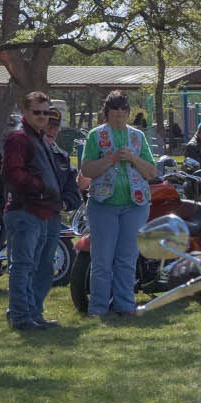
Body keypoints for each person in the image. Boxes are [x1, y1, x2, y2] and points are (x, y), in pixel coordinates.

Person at [77, 90, 158, 320]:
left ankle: (125, 305)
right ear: (107, 112)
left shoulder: (137, 137)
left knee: (127, 257)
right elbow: (86, 170)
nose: (119, 113)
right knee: (102, 258)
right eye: (115, 109)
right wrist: (111, 158)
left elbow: (151, 172)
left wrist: (133, 158)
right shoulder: (96, 135)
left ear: (129, 112)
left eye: (123, 109)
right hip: (103, 205)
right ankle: (98, 308)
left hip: (135, 205)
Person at [3, 90, 65, 330]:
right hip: (26, 210)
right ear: (25, 112)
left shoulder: (38, 138)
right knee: (23, 266)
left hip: (44, 210)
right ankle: (21, 316)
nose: (42, 117)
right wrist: (39, 187)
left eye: (45, 112)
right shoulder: (18, 138)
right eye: (36, 112)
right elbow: (12, 173)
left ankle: (33, 313)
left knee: (39, 267)